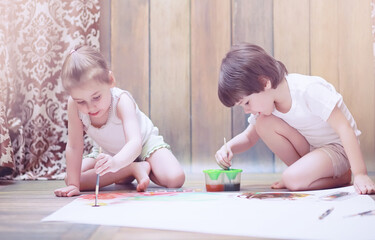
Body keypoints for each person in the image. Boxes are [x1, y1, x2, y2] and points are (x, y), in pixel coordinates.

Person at [215, 43, 375, 194]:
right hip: (312, 149)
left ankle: (339, 177)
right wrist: (228, 148)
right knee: (262, 124)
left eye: (247, 102)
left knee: (292, 179)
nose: (247, 110)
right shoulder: (267, 105)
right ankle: (300, 174)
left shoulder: (308, 90)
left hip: (339, 149)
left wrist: (360, 173)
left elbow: (344, 128)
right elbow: (249, 137)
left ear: (265, 83)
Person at [54, 46, 185, 197]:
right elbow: (74, 146)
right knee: (71, 178)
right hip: (108, 151)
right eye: (81, 101)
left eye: (96, 97)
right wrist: (73, 185)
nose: (90, 107)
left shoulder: (122, 101)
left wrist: (115, 163)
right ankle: (132, 169)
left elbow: (134, 143)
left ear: (110, 80)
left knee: (175, 178)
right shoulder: (73, 105)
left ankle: (129, 168)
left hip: (142, 144)